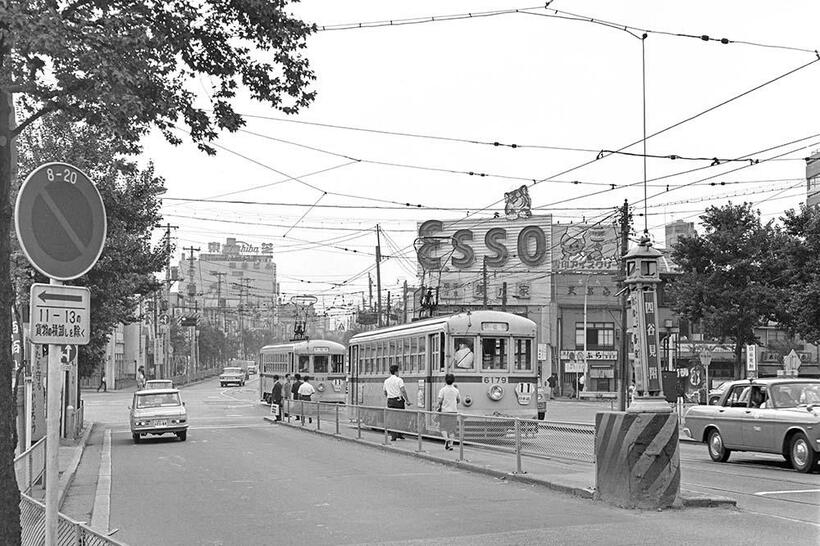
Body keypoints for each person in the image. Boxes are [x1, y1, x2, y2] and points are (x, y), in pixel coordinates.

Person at [383, 364, 411, 441]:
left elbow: (385, 392)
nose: (399, 372)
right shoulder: (399, 380)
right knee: (400, 417)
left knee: (392, 418)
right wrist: (407, 400)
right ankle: (400, 434)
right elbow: (403, 390)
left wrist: (389, 397)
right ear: (396, 371)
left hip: (390, 401)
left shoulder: (386, 381)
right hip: (398, 400)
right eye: (398, 371)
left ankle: (393, 436)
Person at [437, 373, 460, 450]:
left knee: (443, 428)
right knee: (452, 429)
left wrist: (439, 405)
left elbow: (440, 401)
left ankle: (446, 439)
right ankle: (451, 445)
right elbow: (458, 400)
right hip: (453, 411)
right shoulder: (456, 390)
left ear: (445, 380)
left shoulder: (442, 390)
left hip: (445, 412)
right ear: (453, 381)